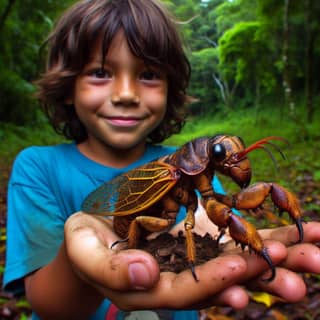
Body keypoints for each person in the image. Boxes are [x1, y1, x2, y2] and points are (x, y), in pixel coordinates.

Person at [3, 0, 320, 319]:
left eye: (149, 74)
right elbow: (46, 304)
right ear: (68, 88)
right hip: (135, 219)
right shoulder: (38, 168)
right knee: (145, 221)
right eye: (100, 73)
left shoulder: (203, 177)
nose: (126, 94)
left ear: (171, 89)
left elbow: (211, 219)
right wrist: (79, 264)